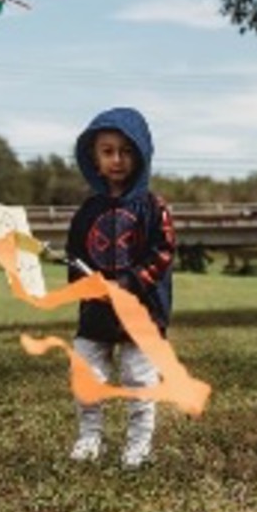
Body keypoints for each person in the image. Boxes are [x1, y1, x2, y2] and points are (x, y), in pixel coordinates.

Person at [65, 107, 177, 469]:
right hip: (96, 312)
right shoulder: (87, 212)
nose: (117, 159)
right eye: (108, 151)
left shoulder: (153, 207)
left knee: (138, 378)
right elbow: (75, 256)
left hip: (141, 313)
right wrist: (86, 287)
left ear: (142, 155)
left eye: (126, 151)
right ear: (94, 159)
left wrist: (127, 283)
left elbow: (163, 253)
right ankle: (89, 438)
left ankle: (137, 446)